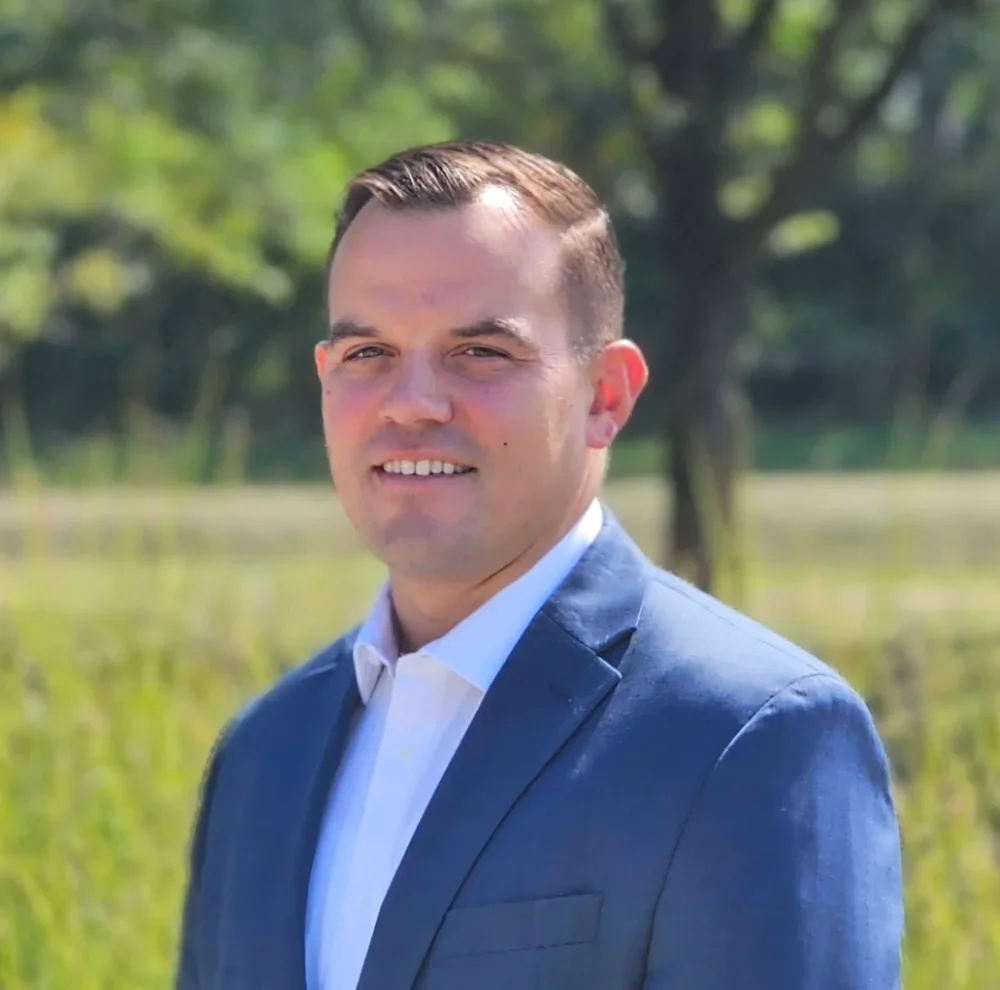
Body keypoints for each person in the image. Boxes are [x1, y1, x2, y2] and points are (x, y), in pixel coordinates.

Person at [173, 140, 903, 990]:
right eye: (368, 353)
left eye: (480, 352)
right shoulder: (263, 753)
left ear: (606, 396)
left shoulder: (750, 736)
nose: (412, 403)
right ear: (326, 379)